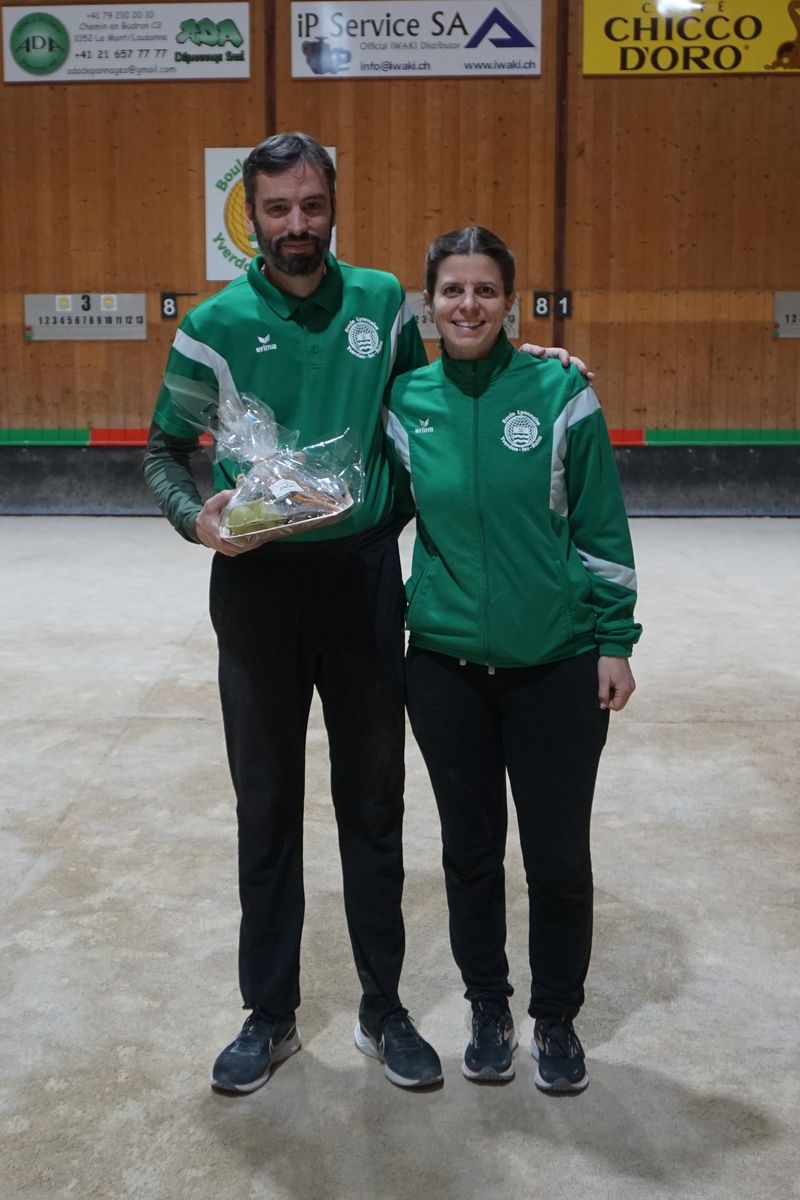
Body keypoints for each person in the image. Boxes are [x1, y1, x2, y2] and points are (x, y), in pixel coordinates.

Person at [144, 133, 586, 1095]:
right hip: (257, 591)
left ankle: (383, 1011)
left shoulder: (383, 302)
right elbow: (162, 450)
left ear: (333, 206)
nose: (296, 224)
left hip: (364, 583)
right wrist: (197, 519)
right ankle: (269, 1013)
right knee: (266, 805)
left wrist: (532, 366)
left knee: (374, 805)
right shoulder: (213, 324)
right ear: (250, 217)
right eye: (277, 208)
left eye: (311, 205)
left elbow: (436, 398)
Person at [383, 226, 641, 1094]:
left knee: (558, 859)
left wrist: (615, 639)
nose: (468, 305)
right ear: (429, 303)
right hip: (445, 668)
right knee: (469, 853)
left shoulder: (561, 390)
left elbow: (602, 527)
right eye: (452, 290)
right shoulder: (405, 400)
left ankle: (555, 1017)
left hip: (557, 663)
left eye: (485, 289)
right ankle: (488, 1006)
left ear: (511, 302)